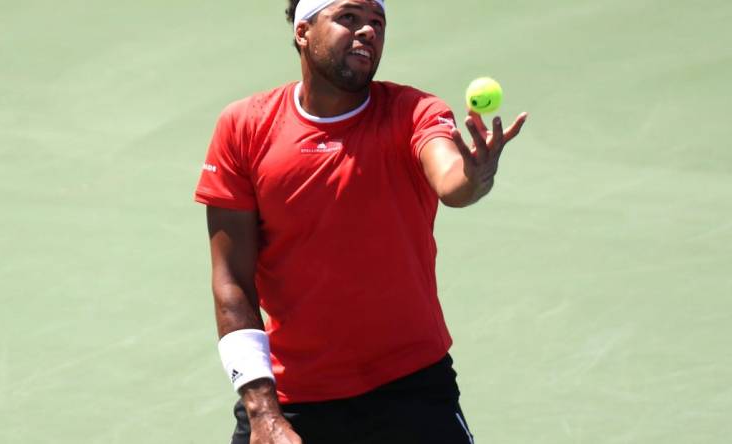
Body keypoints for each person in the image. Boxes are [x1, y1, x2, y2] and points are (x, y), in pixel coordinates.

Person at [194, 1, 528, 443]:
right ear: (303, 32)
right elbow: (232, 281)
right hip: (293, 400)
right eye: (349, 18)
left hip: (411, 389)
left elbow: (451, 179)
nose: (368, 31)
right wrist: (263, 412)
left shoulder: (413, 111)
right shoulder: (244, 128)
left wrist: (474, 176)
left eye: (377, 23)